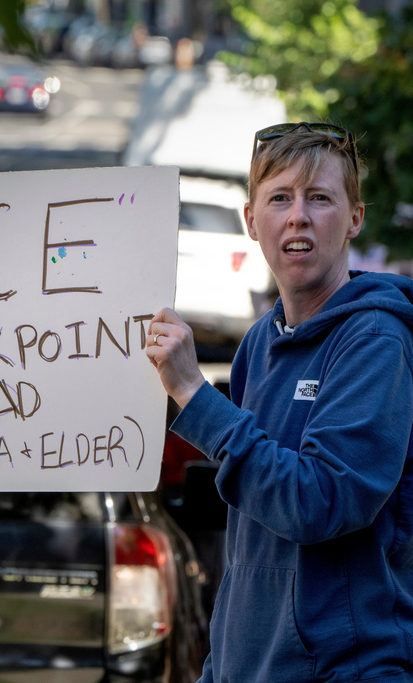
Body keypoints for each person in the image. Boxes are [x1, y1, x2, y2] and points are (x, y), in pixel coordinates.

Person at [146, 122, 413, 682]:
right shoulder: (258, 345)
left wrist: (193, 393)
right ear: (251, 221)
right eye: (280, 198)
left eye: (320, 198)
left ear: (354, 219)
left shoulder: (376, 341)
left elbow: (321, 501)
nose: (299, 216)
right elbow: (250, 541)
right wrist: (220, 667)